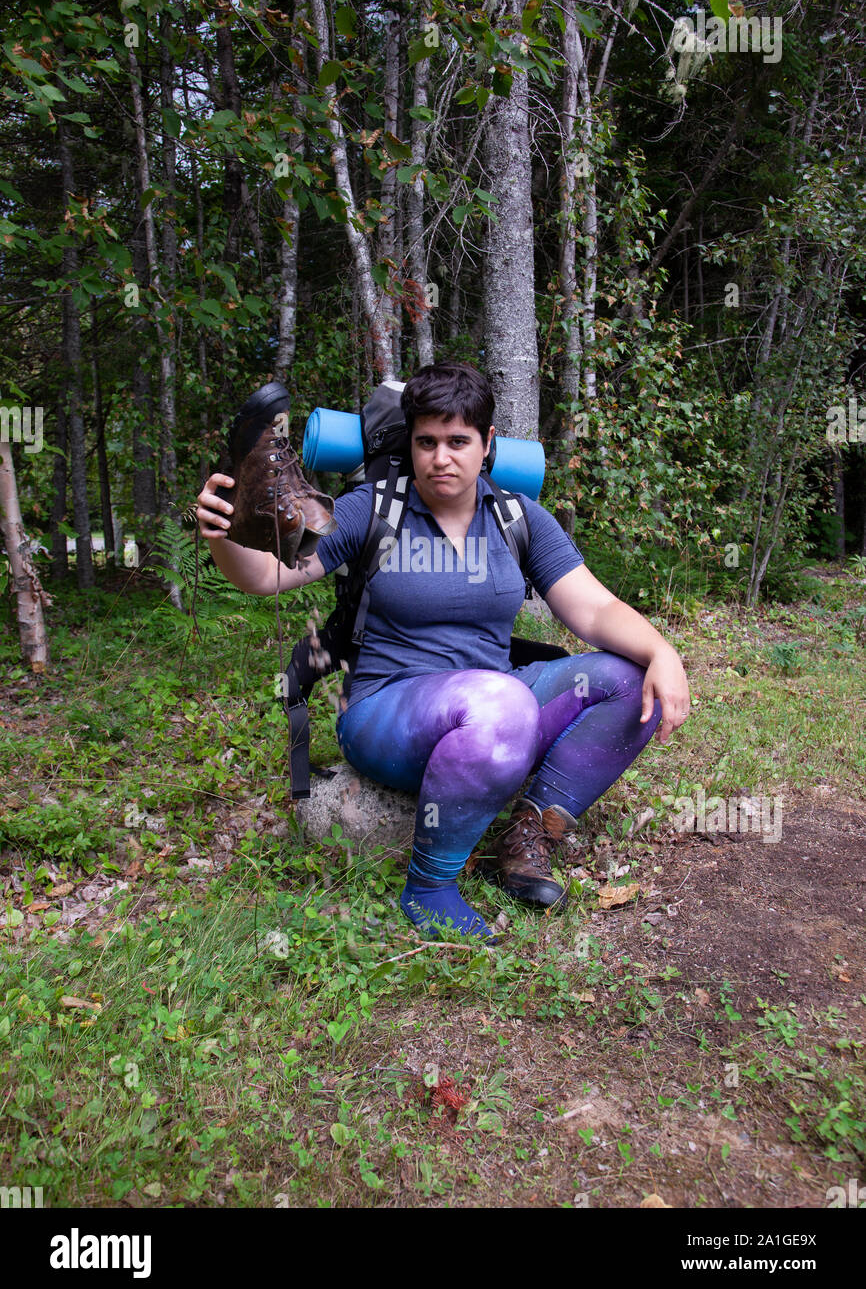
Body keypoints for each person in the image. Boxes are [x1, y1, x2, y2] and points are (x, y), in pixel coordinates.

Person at [196, 361, 690, 943]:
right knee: (499, 701)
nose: (441, 457)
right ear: (411, 444)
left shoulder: (516, 518)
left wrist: (664, 652)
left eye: (458, 441)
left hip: (494, 704)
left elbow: (595, 610)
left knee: (629, 682)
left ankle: (529, 832)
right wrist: (223, 533)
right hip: (390, 711)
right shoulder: (372, 510)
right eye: (426, 441)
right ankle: (429, 887)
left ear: (487, 446)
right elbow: (264, 576)